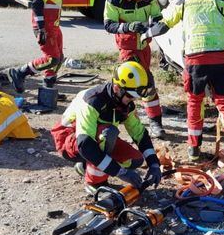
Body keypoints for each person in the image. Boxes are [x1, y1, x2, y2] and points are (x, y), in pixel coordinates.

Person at [146, 0, 224, 166]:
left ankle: (193, 152)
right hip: (219, 61)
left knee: (195, 103)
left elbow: (164, 24)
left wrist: (147, 33)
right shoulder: (220, 2)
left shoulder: (184, 3)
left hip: (195, 63)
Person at [68, 61, 162, 194]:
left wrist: (153, 163)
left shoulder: (123, 103)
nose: (132, 100)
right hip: (69, 137)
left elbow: (140, 134)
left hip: (94, 137)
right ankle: (95, 184)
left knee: (135, 159)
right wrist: (119, 172)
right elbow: (85, 144)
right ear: (117, 88)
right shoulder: (93, 100)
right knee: (108, 135)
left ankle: (86, 165)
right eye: (130, 96)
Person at [103, 0, 165, 138]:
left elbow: (158, 17)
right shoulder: (114, 0)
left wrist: (155, 26)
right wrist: (128, 26)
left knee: (147, 84)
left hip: (144, 47)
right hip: (127, 49)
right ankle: (118, 118)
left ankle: (155, 122)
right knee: (125, 86)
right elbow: (108, 25)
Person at [7, 0, 79, 92]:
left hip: (54, 26)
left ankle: (48, 82)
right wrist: (41, 29)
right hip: (45, 27)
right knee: (52, 59)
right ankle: (20, 72)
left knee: (59, 57)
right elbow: (37, 4)